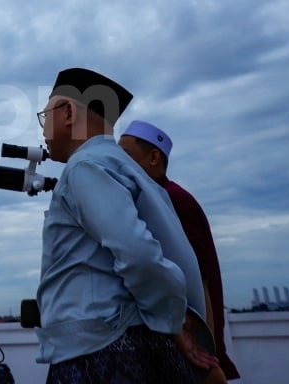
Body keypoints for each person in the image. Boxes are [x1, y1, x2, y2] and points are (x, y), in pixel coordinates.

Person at [35, 67, 217, 383]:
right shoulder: (132, 172)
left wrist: (176, 320)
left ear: (67, 113)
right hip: (135, 343)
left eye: (44, 115)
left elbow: (138, 254)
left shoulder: (85, 166)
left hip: (99, 352)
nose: (42, 129)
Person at [120, 120, 240, 381]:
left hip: (187, 336)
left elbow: (200, 277)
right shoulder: (150, 197)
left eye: (126, 155)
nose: (119, 162)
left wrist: (208, 348)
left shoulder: (173, 198)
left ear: (153, 157)